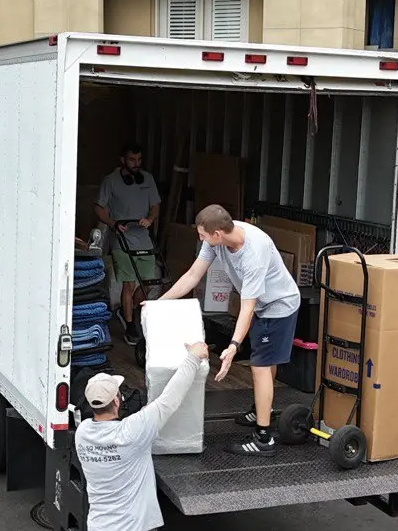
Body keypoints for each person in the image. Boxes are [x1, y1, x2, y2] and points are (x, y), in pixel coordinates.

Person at [157, 205, 300, 457]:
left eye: (202, 235)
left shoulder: (253, 253)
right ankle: (261, 408)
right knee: (263, 359)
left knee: (260, 365)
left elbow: (247, 308)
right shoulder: (216, 239)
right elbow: (193, 275)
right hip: (261, 305)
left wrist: (232, 347)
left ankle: (263, 438)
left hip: (279, 305)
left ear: (217, 234)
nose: (200, 239)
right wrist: (160, 303)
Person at [75, 342, 209, 531]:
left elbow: (135, 423)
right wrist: (194, 357)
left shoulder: (82, 433)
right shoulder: (132, 432)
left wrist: (146, 415)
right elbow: (170, 398)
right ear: (116, 400)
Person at [94, 142, 161, 346]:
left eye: (139, 159)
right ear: (122, 160)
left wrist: (150, 219)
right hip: (122, 240)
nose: (136, 163)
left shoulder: (147, 179)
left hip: (143, 239)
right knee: (128, 283)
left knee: (148, 283)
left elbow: (155, 205)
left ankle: (129, 310)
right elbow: (99, 207)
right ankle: (130, 324)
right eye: (132, 159)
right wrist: (113, 224)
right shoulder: (111, 181)